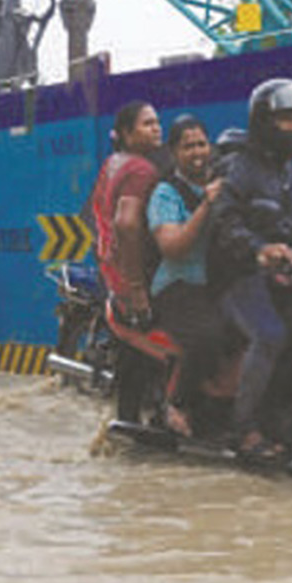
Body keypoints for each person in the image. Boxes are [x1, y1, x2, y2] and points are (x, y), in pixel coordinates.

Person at [208, 78, 292, 461]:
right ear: (263, 120)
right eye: (286, 120)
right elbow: (224, 220)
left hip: (280, 277)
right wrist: (258, 250)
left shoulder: (290, 173)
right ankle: (242, 429)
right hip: (235, 275)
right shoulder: (237, 165)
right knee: (271, 335)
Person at [146, 114, 229, 438]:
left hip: (217, 284)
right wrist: (206, 205)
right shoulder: (165, 194)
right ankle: (178, 403)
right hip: (178, 287)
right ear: (174, 153)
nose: (197, 152)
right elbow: (173, 247)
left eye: (201, 144)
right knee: (210, 335)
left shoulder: (226, 184)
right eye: (188, 146)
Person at [89, 100, 164, 422]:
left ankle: (127, 423)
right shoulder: (141, 170)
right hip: (135, 275)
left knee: (135, 353)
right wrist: (136, 286)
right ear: (126, 133)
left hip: (113, 271)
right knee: (150, 350)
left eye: (157, 122)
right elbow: (128, 224)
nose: (156, 128)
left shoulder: (113, 164)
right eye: (147, 124)